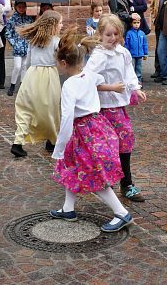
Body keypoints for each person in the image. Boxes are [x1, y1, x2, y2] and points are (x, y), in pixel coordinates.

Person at [49, 27, 133, 233]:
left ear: (63, 63)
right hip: (99, 126)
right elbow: (99, 81)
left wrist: (59, 147)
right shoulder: (90, 74)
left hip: (83, 132)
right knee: (73, 167)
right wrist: (110, 87)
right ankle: (68, 208)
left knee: (93, 171)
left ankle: (121, 213)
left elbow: (67, 118)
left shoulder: (69, 85)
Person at [85, 14, 147, 202]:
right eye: (108, 35)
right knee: (106, 146)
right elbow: (87, 79)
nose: (112, 38)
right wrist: (109, 87)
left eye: (116, 34)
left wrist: (135, 88)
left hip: (118, 108)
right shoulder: (99, 56)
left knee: (125, 141)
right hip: (102, 109)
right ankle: (106, 181)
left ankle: (126, 183)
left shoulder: (122, 52)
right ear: (100, 35)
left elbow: (129, 73)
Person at [10, 10, 63, 157]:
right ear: (53, 25)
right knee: (51, 110)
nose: (62, 25)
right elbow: (59, 62)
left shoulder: (33, 40)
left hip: (32, 75)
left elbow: (28, 61)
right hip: (49, 77)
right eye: (60, 23)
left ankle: (17, 142)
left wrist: (28, 74)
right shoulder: (56, 41)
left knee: (25, 109)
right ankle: (52, 140)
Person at [5, 0, 34, 97]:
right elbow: (8, 33)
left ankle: (22, 85)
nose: (22, 9)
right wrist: (14, 43)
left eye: (23, 7)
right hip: (18, 47)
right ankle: (12, 85)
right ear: (16, 7)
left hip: (26, 46)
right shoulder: (12, 19)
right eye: (19, 7)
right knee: (17, 66)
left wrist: (30, 40)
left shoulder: (29, 19)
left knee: (24, 65)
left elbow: (31, 31)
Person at [124, 13, 148, 84]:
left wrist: (145, 53)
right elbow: (127, 44)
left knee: (139, 68)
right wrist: (127, 53)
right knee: (131, 68)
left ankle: (138, 81)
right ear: (131, 24)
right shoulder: (129, 33)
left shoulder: (142, 33)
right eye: (134, 23)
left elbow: (144, 44)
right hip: (132, 55)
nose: (136, 24)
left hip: (140, 55)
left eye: (138, 23)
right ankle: (131, 81)